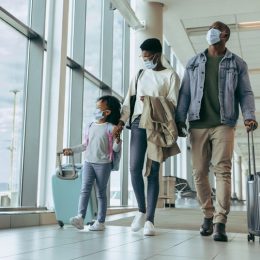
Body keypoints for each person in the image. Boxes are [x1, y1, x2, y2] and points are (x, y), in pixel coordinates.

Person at [176, 21, 258, 242]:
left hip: (224, 123)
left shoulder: (237, 63)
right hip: (197, 124)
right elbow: (184, 94)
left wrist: (249, 116)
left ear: (224, 35)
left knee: (222, 170)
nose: (209, 33)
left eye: (214, 30)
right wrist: (178, 120)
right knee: (199, 172)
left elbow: (245, 93)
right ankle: (207, 215)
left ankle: (220, 221)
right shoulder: (193, 62)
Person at [116, 38, 180, 236]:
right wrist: (119, 123)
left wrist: (152, 101)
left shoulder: (171, 76)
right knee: (134, 168)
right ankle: (141, 211)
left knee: (153, 172)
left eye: (147, 56)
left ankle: (150, 220)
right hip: (137, 123)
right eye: (142, 56)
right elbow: (128, 101)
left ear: (156, 54)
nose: (144, 59)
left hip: (157, 126)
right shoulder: (140, 74)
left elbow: (173, 104)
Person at [63, 95, 122, 231]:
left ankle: (100, 222)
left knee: (101, 193)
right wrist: (71, 150)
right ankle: (80, 217)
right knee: (84, 190)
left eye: (99, 108)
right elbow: (85, 145)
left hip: (103, 164)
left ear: (107, 112)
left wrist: (118, 139)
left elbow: (116, 149)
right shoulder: (90, 126)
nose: (96, 111)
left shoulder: (110, 128)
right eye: (96, 108)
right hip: (88, 163)